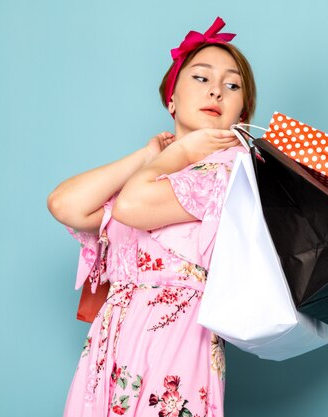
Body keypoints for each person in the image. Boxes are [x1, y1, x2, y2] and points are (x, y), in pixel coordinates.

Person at [47, 17, 257, 417]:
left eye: (232, 85)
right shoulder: (155, 171)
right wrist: (149, 156)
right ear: (171, 99)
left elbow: (131, 208)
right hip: (113, 341)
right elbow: (65, 204)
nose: (216, 89)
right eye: (201, 77)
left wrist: (179, 152)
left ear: (240, 112)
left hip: (177, 341)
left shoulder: (231, 171)